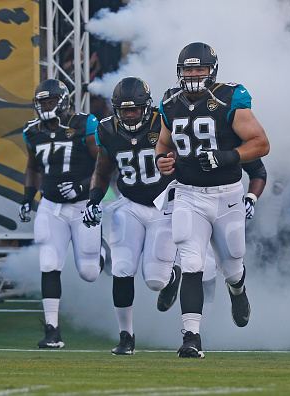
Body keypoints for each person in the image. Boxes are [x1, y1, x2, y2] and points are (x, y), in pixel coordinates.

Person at [155, 42, 270, 358]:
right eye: (188, 69)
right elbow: (163, 146)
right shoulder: (170, 102)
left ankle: (238, 290)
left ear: (212, 70)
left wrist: (227, 156)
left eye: (199, 68)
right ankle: (191, 337)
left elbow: (261, 144)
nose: (193, 75)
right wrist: (162, 161)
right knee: (191, 262)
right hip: (189, 194)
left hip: (227, 196)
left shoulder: (229, 98)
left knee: (232, 265)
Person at [82, 77, 181, 355]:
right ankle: (126, 337)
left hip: (163, 205)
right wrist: (93, 201)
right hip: (129, 203)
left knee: (154, 282)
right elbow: (102, 172)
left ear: (146, 107)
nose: (128, 114)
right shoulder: (107, 130)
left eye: (134, 109)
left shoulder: (163, 122)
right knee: (122, 268)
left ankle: (173, 275)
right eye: (123, 110)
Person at [19, 79, 103, 348]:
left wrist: (81, 187)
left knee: (89, 272)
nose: (46, 107)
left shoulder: (84, 125)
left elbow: (104, 164)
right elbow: (33, 167)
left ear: (64, 101)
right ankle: (52, 331)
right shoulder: (32, 131)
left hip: (81, 207)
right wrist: (27, 197)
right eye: (42, 102)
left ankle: (102, 252)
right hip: (50, 207)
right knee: (48, 263)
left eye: (51, 101)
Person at [203, 159, 267, 304]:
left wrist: (251, 199)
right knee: (202, 267)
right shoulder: (180, 139)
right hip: (193, 206)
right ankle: (199, 321)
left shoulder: (233, 138)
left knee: (233, 269)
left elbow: (258, 171)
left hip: (228, 205)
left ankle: (237, 293)